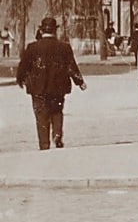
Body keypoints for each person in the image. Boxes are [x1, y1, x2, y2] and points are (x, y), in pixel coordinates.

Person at [16, 17, 86, 150]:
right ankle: (57, 133)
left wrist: (20, 79)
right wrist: (80, 82)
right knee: (57, 111)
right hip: (58, 88)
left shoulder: (32, 47)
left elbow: (23, 66)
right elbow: (71, 66)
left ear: (42, 30)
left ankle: (44, 144)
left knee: (41, 116)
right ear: (55, 31)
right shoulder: (64, 47)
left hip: (38, 89)